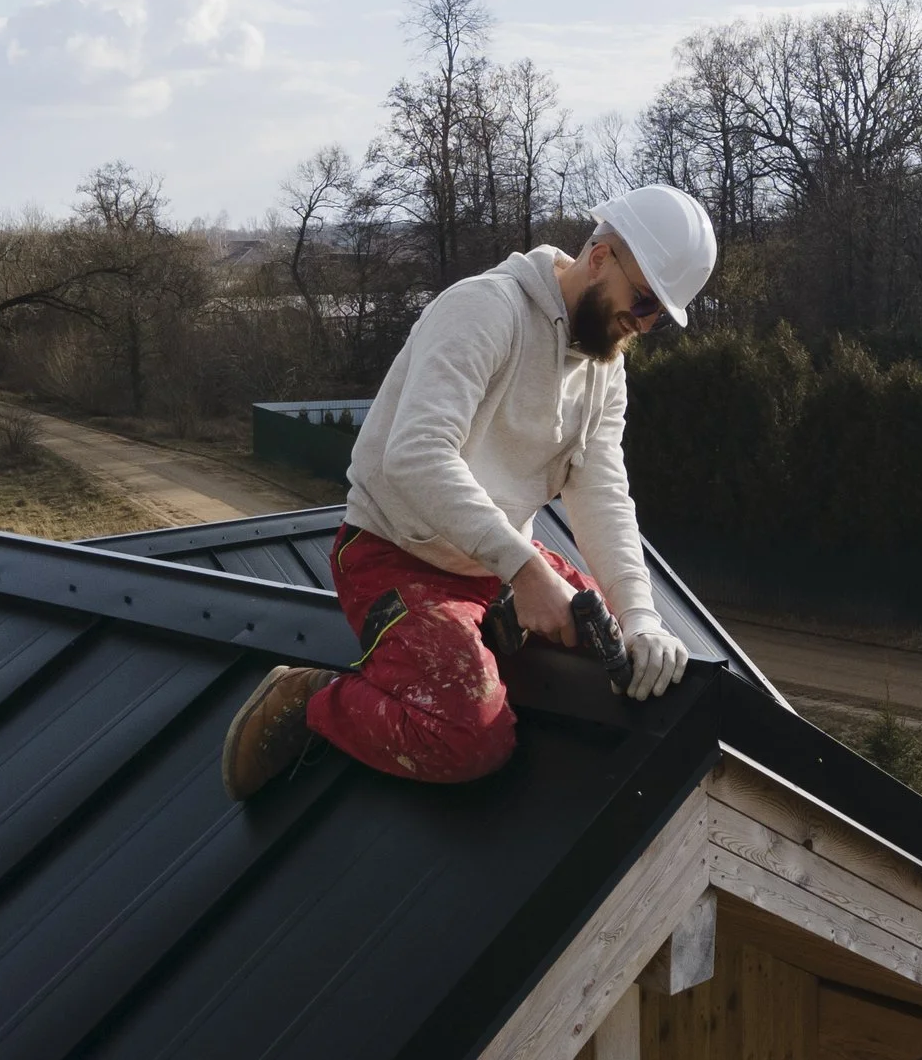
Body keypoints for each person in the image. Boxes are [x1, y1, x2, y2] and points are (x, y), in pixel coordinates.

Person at [219, 184, 716, 797]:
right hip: (396, 555)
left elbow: (603, 491)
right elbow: (416, 457)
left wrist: (639, 616)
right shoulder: (486, 310)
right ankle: (309, 699)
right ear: (601, 256)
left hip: (496, 566)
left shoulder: (603, 367)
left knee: (625, 666)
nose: (640, 325)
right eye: (642, 301)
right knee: (469, 739)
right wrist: (528, 573)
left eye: (658, 317)